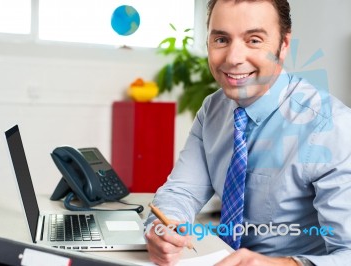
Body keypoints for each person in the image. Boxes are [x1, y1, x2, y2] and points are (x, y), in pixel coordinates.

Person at [144, 0, 351, 265]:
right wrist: (163, 228)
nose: (233, 58)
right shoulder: (212, 110)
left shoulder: (331, 127)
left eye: (254, 40)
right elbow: (182, 192)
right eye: (221, 39)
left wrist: (285, 265)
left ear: (284, 45)